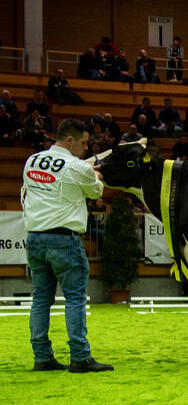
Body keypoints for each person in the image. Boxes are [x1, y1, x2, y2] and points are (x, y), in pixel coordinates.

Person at [20, 118, 112, 372]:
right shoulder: (78, 167)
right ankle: (80, 356)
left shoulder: (32, 160)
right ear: (70, 140)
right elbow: (96, 192)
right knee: (74, 298)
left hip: (35, 238)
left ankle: (42, 357)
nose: (87, 148)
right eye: (84, 143)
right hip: (63, 239)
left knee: (41, 299)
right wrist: (95, 175)